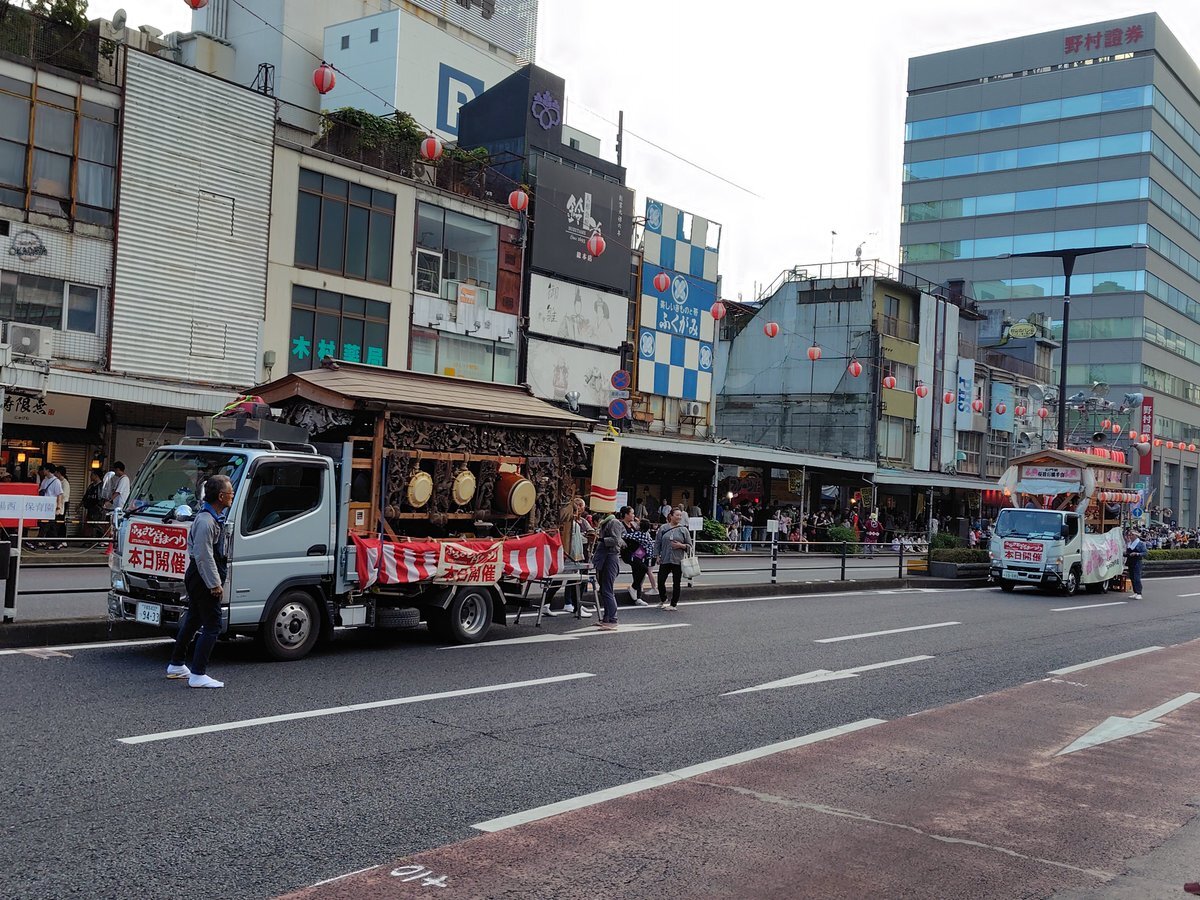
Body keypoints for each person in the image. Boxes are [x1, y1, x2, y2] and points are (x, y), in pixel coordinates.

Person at [167, 475, 234, 688]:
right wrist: (214, 584)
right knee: (213, 625)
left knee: (194, 619)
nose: (232, 495)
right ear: (221, 496)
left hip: (198, 575)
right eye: (230, 492)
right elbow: (204, 555)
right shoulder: (206, 521)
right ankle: (198, 674)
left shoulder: (210, 517)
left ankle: (177, 664)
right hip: (203, 576)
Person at [592, 506, 628, 630]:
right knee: (603, 589)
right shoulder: (605, 522)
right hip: (604, 557)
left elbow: (616, 540)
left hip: (610, 557)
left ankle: (613, 619)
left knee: (607, 589)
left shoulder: (614, 522)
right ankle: (606, 618)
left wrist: (601, 539)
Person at [655, 508, 693, 610]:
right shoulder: (663, 528)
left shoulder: (683, 530)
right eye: (677, 515)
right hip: (665, 558)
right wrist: (657, 556)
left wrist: (681, 545)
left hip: (678, 560)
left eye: (680, 515)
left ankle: (673, 604)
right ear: (671, 516)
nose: (679, 517)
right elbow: (658, 543)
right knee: (660, 580)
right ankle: (663, 598)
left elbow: (690, 546)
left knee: (676, 583)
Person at [622, 512, 654, 606]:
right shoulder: (623, 525)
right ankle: (635, 591)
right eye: (632, 513)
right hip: (636, 555)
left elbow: (625, 535)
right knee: (642, 569)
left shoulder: (638, 533)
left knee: (639, 571)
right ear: (626, 514)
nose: (634, 516)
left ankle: (636, 595)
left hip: (639, 555)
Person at [37, 464, 63, 542]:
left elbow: (59, 495)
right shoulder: (45, 480)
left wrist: (58, 507)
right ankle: (55, 543)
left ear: (48, 470)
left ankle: (37, 541)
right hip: (43, 505)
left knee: (46, 524)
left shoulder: (56, 481)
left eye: (44, 469)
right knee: (49, 525)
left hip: (51, 506)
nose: (43, 471)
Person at [1125, 528, 1147, 600]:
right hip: (1130, 561)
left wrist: (1137, 554)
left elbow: (1145, 553)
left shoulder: (1140, 543)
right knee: (1132, 577)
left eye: (1131, 535)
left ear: (1135, 536)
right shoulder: (1129, 543)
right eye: (1129, 535)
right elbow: (1127, 552)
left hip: (1137, 561)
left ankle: (1139, 593)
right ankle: (1135, 592)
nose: (1130, 536)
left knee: (1137, 577)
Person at [82, 470, 105, 537]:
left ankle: (99, 539)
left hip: (98, 510)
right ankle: (89, 539)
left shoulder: (102, 486)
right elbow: (85, 497)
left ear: (96, 476)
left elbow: (102, 498)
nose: (90, 477)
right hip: (90, 509)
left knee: (97, 525)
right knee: (89, 526)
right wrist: (80, 505)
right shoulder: (90, 486)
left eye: (92, 475)